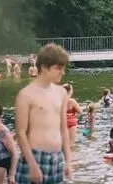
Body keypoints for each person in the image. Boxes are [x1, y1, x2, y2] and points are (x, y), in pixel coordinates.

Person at [14, 44, 72, 184]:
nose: (62, 72)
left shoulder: (62, 93)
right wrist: (33, 166)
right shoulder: (26, 94)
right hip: (34, 157)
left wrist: (68, 161)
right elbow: (20, 133)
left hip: (57, 158)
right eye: (58, 68)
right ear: (45, 67)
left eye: (63, 68)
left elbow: (64, 129)